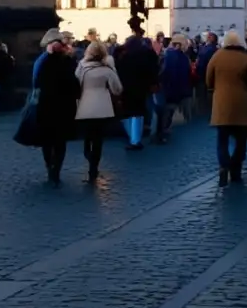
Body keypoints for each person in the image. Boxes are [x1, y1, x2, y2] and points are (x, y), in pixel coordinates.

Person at [206, 29, 247, 187]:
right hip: (241, 105)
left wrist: (216, 88)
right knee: (240, 140)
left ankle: (224, 165)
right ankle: (236, 171)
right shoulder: (245, 58)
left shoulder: (217, 56)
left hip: (221, 105)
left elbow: (208, 79)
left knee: (222, 139)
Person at [34, 29, 80, 186]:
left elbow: (36, 82)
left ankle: (49, 167)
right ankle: (56, 170)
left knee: (47, 140)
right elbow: (75, 85)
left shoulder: (43, 62)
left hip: (46, 105)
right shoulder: (67, 62)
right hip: (64, 107)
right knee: (60, 141)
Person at [75, 40, 122, 182]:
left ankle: (88, 155)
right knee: (98, 139)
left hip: (85, 105)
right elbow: (117, 89)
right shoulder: (107, 69)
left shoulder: (81, 67)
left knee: (87, 135)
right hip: (102, 107)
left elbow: (76, 84)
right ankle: (93, 167)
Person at [115, 18, 159, 150]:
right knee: (137, 112)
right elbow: (153, 68)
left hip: (125, 86)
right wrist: (152, 82)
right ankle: (135, 139)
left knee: (127, 112)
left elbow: (116, 68)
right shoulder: (146, 53)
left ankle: (132, 137)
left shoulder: (122, 53)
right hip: (140, 87)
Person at [157, 34, 193, 144]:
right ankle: (165, 130)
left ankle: (161, 132)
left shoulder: (166, 55)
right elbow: (188, 74)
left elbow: (162, 72)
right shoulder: (185, 58)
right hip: (179, 88)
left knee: (165, 111)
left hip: (167, 88)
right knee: (170, 111)